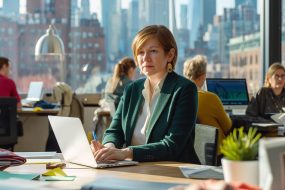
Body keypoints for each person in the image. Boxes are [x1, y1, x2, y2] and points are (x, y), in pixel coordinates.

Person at [92, 25, 200, 164]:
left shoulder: (184, 89)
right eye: (140, 52)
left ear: (170, 55)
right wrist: (108, 149)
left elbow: (172, 146)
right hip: (137, 169)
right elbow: (114, 131)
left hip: (174, 172)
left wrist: (125, 153)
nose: (145, 58)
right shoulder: (132, 89)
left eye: (153, 51)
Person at [183, 55, 232, 154]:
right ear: (203, 76)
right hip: (218, 153)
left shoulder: (180, 97)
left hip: (194, 153)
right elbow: (228, 127)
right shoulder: (210, 98)